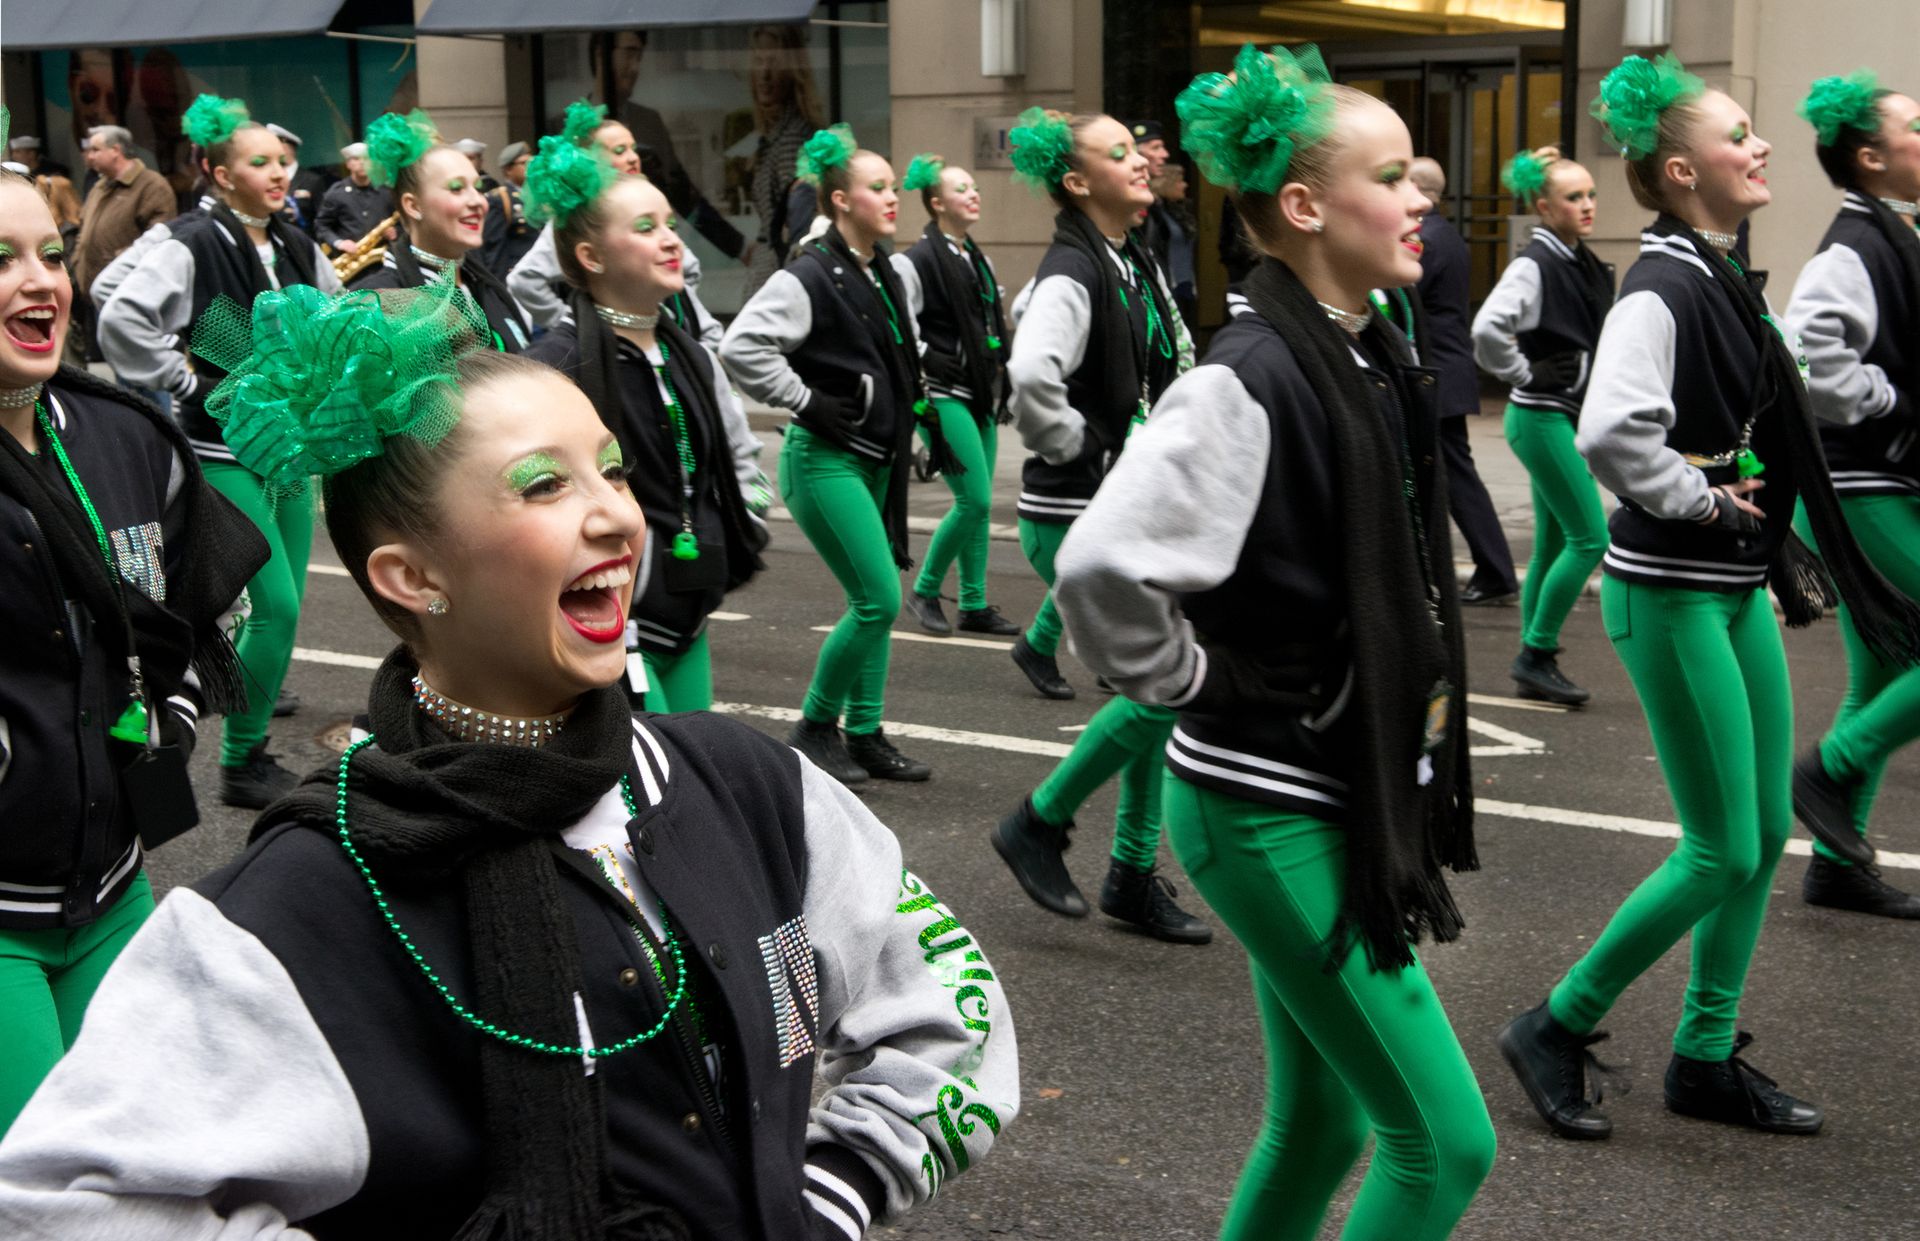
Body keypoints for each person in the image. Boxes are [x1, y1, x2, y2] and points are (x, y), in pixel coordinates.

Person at [0, 279, 1018, 1238]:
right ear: (412, 576)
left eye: (612, 469)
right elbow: (62, 1202)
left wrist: (826, 1197)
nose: (616, 513)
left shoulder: (751, 787)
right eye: (544, 485)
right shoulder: (301, 904)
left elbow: (950, 1018)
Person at [1056, 46, 1494, 1239]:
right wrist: (1195, 677)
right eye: (1391, 177)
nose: (1420, 197)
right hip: (1266, 804)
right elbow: (1099, 566)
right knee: (1444, 1143)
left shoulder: (1360, 344)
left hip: (1319, 784)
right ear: (1303, 206)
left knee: (1324, 1124)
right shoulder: (1245, 375)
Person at [1499, 53, 1920, 1143]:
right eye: (1739, 135)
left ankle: (1704, 1052)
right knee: (1721, 846)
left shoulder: (1721, 271)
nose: (1762, 144)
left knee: (1767, 828)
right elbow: (1609, 431)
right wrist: (1699, 497)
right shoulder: (1663, 284)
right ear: (1683, 170)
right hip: (1674, 595)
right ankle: (1555, 1021)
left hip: (1729, 590)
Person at [0, 136, 266, 1134]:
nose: (40, 281)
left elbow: (209, 603)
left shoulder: (123, 433)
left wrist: (173, 711)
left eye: (48, 252)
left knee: (152, 1150)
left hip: (115, 884)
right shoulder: (193, 237)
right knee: (38, 1180)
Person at [986, 106, 1207, 946]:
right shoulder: (1075, 269)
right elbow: (1031, 372)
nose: (1142, 160)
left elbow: (1168, 357)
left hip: (1122, 507)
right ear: (1078, 182)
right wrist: (1077, 446)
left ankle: (1131, 871)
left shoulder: (1127, 257)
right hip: (1078, 513)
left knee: (1157, 691)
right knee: (1164, 687)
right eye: (1119, 154)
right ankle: (1040, 821)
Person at [97, 93, 341, 810]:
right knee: (277, 608)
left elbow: (333, 314)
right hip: (223, 446)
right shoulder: (195, 240)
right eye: (260, 162)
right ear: (220, 173)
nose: (279, 172)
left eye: (283, 161)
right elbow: (119, 310)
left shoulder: (294, 243)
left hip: (290, 447)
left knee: (277, 612)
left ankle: (233, 717)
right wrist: (182, 380)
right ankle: (239, 759)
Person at [722, 124, 950, 785]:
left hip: (876, 456)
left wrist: (923, 409)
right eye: (878, 188)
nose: (893, 197)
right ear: (842, 200)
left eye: (893, 186)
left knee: (872, 601)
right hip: (823, 460)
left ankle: (866, 734)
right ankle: (814, 728)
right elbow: (741, 347)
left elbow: (901, 351)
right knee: (878, 599)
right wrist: (804, 398)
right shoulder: (810, 274)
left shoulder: (887, 271)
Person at [522, 139, 767, 711]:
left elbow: (739, 455)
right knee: (650, 763)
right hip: (609, 621)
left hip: (690, 616)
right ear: (591, 256)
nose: (671, 239)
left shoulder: (694, 355)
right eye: (645, 227)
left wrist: (742, 515)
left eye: (670, 224)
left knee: (695, 759)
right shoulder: (555, 367)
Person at [1784, 70, 1920, 919]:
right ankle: (1826, 771)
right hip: (1860, 485)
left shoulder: (1896, 232)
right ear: (1871, 157)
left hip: (1881, 480)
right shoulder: (1853, 246)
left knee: (1887, 668)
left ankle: (1836, 865)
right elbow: (1809, 355)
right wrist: (1891, 403)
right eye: (1918, 128)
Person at [1472, 146, 1615, 706]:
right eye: (1573, 197)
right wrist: (1523, 372)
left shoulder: (1577, 258)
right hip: (1540, 416)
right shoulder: (1535, 263)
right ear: (1543, 207)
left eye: (1591, 195)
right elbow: (1486, 329)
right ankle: (1536, 654)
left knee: (1557, 543)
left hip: (1556, 417)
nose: (1588, 205)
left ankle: (1533, 658)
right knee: (1591, 538)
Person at [891, 154, 1019, 639]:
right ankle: (924, 590)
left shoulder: (977, 258)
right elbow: (900, 325)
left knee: (977, 506)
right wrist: (929, 355)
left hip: (980, 392)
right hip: (941, 395)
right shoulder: (914, 260)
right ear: (936, 202)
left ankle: (974, 603)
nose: (973, 194)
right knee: (976, 500)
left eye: (974, 187)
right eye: (961, 189)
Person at [509, 101, 722, 351]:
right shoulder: (580, 219)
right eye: (619, 151)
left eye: (633, 149)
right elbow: (524, 280)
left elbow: (690, 268)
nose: (633, 158)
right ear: (590, 159)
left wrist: (674, 311)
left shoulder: (647, 199)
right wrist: (575, 324)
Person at [1407, 156, 1519, 606]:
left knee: (1455, 478)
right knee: (1445, 476)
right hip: (1448, 370)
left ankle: (1496, 571)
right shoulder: (1447, 235)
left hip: (1438, 373)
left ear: (1418, 189)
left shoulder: (1425, 239)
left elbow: (1405, 300)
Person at [349, 109, 530, 355]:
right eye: (456, 188)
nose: (478, 201)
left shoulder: (484, 285)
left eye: (477, 187)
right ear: (413, 206)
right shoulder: (377, 304)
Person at [591, 29, 748, 263]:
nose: (635, 67)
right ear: (601, 54)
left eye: (640, 57)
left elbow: (683, 193)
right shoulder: (566, 128)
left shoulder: (649, 122)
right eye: (630, 54)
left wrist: (740, 247)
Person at [745, 22, 827, 297]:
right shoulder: (775, 133)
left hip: (778, 278)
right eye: (759, 61)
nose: (765, 74)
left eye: (774, 62)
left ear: (793, 70)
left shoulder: (793, 137)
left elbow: (798, 228)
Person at [73, 125, 174, 298]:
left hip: (126, 291)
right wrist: (77, 261)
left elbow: (159, 241)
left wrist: (118, 260)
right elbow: (83, 229)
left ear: (115, 150)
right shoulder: (99, 187)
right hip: (91, 291)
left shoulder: (152, 186)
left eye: (96, 150)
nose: (90, 156)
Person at [314, 141, 395, 254]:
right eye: (356, 159)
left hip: (383, 256)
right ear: (348, 164)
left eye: (366, 159)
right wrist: (339, 242)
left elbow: (400, 222)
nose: (362, 163)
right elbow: (321, 225)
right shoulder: (337, 193)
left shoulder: (385, 192)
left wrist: (394, 231)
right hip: (350, 256)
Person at [481, 140, 540, 276]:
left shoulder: (537, 196)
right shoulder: (501, 199)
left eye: (532, 162)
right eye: (524, 163)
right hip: (515, 274)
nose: (530, 167)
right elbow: (494, 248)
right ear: (508, 169)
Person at [268, 123, 334, 234]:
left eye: (277, 145)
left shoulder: (312, 180)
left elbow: (322, 220)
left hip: (304, 240)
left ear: (290, 148)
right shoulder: (268, 178)